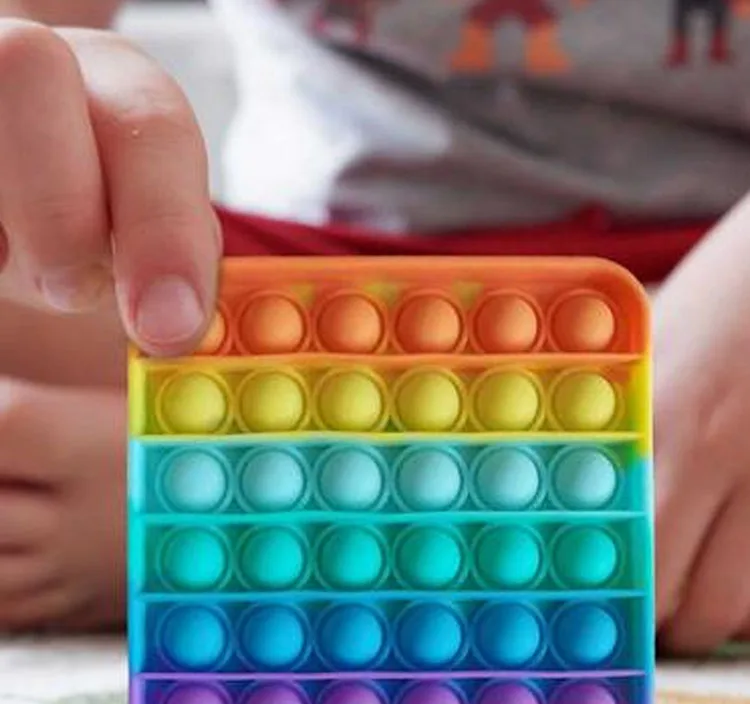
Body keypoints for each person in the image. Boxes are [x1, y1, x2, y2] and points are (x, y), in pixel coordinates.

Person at [0, 0, 749, 652]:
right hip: (323, 293)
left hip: (707, 295)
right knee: (35, 285)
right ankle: (533, 498)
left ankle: (229, 507)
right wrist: (51, 131)